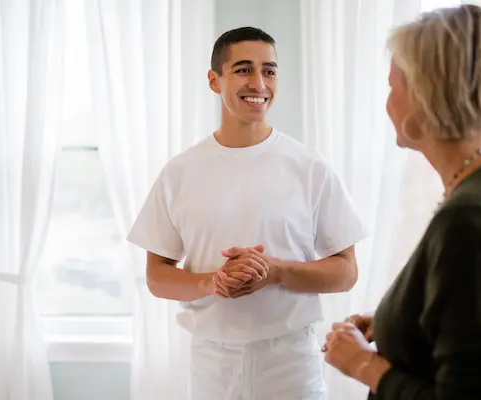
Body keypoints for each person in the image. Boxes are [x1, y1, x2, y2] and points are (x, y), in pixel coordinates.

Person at [323, 4, 481, 399]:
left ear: (426, 94)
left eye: (393, 85)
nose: (388, 103)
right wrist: (401, 322)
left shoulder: (471, 222)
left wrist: (363, 364)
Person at [127, 26, 367, 399]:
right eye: (243, 69)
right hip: (211, 366)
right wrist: (212, 282)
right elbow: (157, 276)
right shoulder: (180, 171)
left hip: (291, 364)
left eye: (269, 70)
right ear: (214, 80)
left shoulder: (310, 167)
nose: (259, 83)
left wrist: (275, 272)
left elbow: (346, 272)